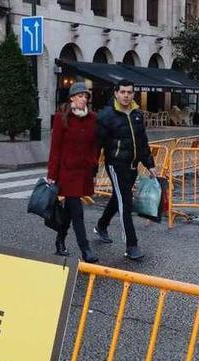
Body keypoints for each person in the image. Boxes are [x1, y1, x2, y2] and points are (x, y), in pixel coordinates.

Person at [94, 79, 156, 261]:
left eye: (129, 92)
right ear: (116, 93)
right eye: (123, 92)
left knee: (118, 198)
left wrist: (149, 164)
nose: (126, 95)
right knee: (125, 203)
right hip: (116, 165)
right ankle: (131, 245)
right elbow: (96, 145)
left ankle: (101, 225)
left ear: (133, 94)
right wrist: (92, 171)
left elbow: (142, 141)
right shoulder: (106, 116)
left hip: (132, 165)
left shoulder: (137, 114)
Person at [46, 82, 100, 263]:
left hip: (83, 170)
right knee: (77, 210)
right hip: (67, 172)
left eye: (86, 96)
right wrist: (51, 175)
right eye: (80, 96)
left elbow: (95, 144)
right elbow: (55, 149)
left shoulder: (93, 118)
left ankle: (60, 240)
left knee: (70, 210)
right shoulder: (62, 118)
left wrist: (93, 163)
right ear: (71, 98)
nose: (83, 99)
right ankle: (85, 249)